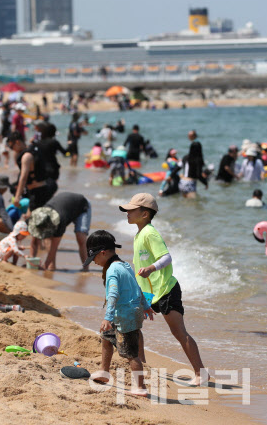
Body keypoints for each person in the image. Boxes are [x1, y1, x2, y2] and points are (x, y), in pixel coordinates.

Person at [119, 193, 209, 386]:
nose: (127, 212)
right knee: (134, 326)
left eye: (131, 210)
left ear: (144, 214)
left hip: (166, 289)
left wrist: (151, 268)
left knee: (179, 332)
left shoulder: (150, 233)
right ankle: (142, 365)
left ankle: (200, 373)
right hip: (148, 292)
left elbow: (167, 257)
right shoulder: (139, 233)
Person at [83, 230, 154, 396]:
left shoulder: (112, 270)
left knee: (131, 354)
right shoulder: (125, 265)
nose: (94, 263)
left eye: (94, 259)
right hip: (126, 313)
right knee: (107, 338)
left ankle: (140, 387)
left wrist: (107, 317)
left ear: (103, 253)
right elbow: (137, 287)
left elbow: (113, 295)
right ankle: (104, 371)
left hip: (125, 316)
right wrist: (145, 305)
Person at [27, 192, 91, 271]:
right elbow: (34, 242)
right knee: (48, 238)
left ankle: (86, 268)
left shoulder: (60, 221)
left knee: (80, 236)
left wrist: (44, 266)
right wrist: (31, 261)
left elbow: (54, 247)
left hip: (82, 205)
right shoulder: (39, 218)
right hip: (65, 205)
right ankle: (52, 266)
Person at [8, 131, 57, 213]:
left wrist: (17, 196)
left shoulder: (26, 156)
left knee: (34, 221)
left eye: (12, 147)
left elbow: (23, 177)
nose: (13, 150)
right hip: (42, 189)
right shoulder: (33, 150)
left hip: (38, 192)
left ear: (17, 142)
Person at [179, 132, 208, 199]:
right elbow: (198, 175)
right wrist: (205, 183)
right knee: (193, 206)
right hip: (190, 183)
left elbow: (178, 167)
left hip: (182, 182)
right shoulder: (198, 160)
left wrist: (170, 176)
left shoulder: (186, 157)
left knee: (185, 204)